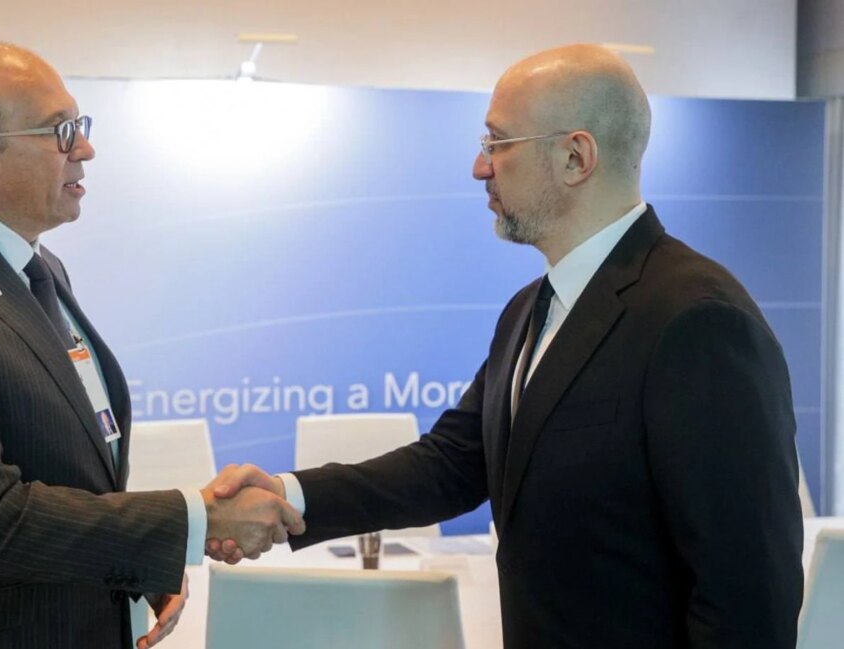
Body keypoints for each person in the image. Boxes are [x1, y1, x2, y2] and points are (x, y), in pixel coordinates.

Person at [210, 44, 804, 648]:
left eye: (498, 143)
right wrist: (289, 495)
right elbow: (451, 464)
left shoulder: (699, 320)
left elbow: (749, 596)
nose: (479, 167)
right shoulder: (529, 309)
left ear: (575, 157)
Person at [0, 41, 303, 649]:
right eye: (59, 131)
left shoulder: (41, 267)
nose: (84, 149)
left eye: (80, 125)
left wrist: (139, 563)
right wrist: (193, 519)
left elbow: (70, 479)